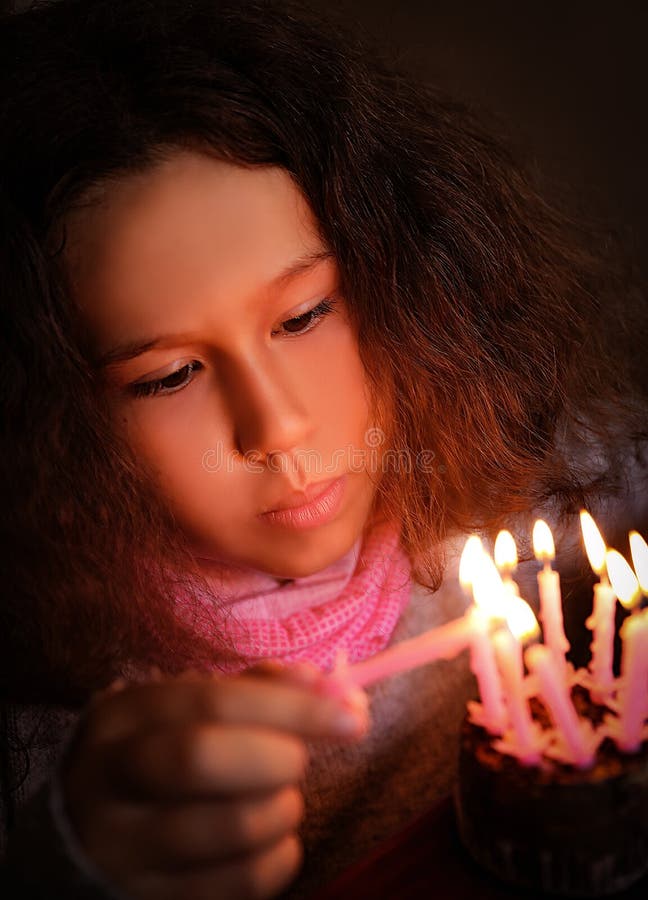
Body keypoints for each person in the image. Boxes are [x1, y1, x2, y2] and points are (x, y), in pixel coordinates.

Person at [1, 0, 647, 897]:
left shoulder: (569, 484)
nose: (276, 428)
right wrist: (67, 868)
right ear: (46, 425)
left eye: (304, 316)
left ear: (408, 278)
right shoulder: (42, 747)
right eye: (166, 377)